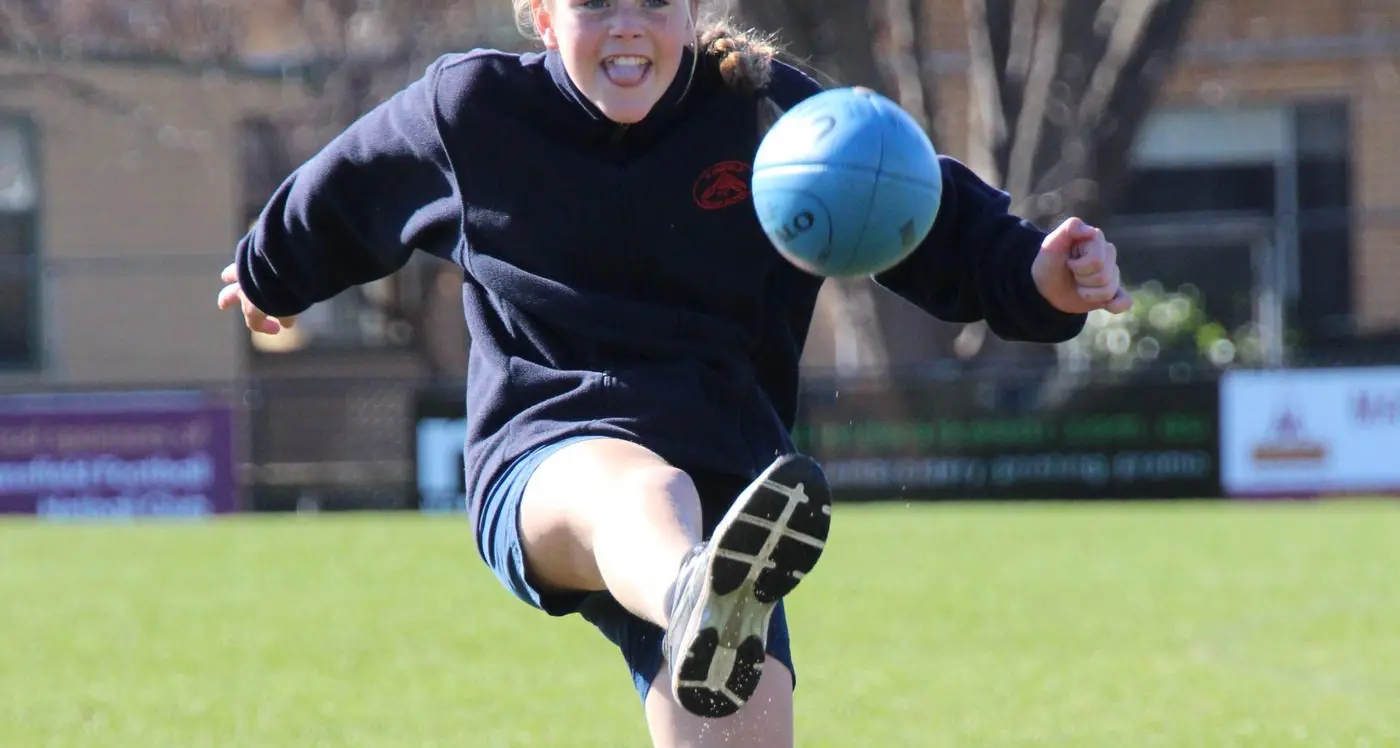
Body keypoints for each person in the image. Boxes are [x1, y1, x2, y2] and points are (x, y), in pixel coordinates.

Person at [217, 0, 1132, 745]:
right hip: (550, 457)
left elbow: (904, 197)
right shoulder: (472, 114)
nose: (627, 25)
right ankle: (694, 594)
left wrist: (1036, 274)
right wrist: (269, 278)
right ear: (538, 16)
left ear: (693, 12)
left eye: (655, 2)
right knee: (634, 489)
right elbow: (334, 199)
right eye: (593, 3)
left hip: (736, 500)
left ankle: (709, 598)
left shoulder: (768, 113)